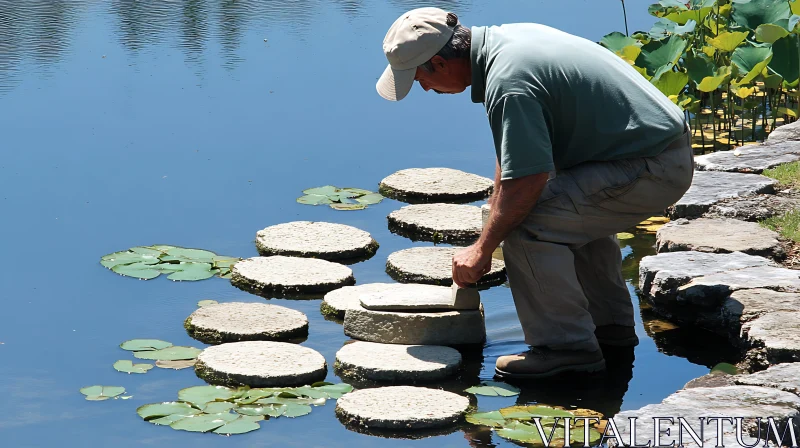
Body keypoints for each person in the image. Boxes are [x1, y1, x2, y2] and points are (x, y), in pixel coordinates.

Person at [375, 7, 693, 379]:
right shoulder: (507, 42)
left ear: (442, 64)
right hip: (643, 154)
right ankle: (609, 329)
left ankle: (567, 348)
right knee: (560, 216)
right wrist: (495, 205)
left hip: (650, 167)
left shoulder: (508, 81)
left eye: (418, 79)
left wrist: (483, 248)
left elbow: (528, 181)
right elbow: (517, 155)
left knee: (528, 227)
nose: (424, 90)